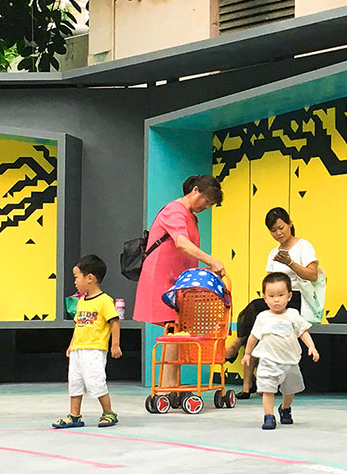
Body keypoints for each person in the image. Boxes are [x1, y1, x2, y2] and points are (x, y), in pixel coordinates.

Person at [133, 175, 227, 396]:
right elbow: (181, 243)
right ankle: (167, 389)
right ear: (195, 191)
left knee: (177, 328)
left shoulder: (192, 217)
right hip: (164, 276)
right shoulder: (174, 210)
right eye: (207, 200)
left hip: (180, 279)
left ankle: (172, 386)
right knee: (173, 328)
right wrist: (211, 260)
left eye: (211, 204)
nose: (207, 206)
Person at [225, 208, 323, 399]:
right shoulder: (273, 253)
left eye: (281, 227)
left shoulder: (304, 246)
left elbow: (312, 275)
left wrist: (290, 263)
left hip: (296, 297)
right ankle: (247, 384)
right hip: (277, 298)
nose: (278, 233)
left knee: (255, 313)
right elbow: (269, 281)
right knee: (256, 317)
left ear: (290, 224)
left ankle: (237, 351)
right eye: (273, 230)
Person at [243, 273, 320, 430]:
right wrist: (247, 354)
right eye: (271, 296)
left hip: (290, 361)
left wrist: (311, 346)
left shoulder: (293, 315)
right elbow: (253, 337)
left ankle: (285, 408)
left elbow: (303, 332)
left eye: (280, 295)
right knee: (267, 389)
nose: (276, 300)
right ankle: (268, 416)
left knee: (290, 390)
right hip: (268, 361)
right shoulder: (262, 317)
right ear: (264, 298)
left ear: (289, 296)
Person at [53, 254, 122, 429]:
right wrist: (72, 344)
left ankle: (108, 412)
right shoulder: (82, 301)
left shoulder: (104, 301)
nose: (75, 282)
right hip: (78, 349)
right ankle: (75, 415)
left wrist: (115, 345)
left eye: (77, 277)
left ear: (89, 278)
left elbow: (114, 322)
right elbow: (79, 325)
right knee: (75, 382)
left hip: (94, 349)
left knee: (95, 381)